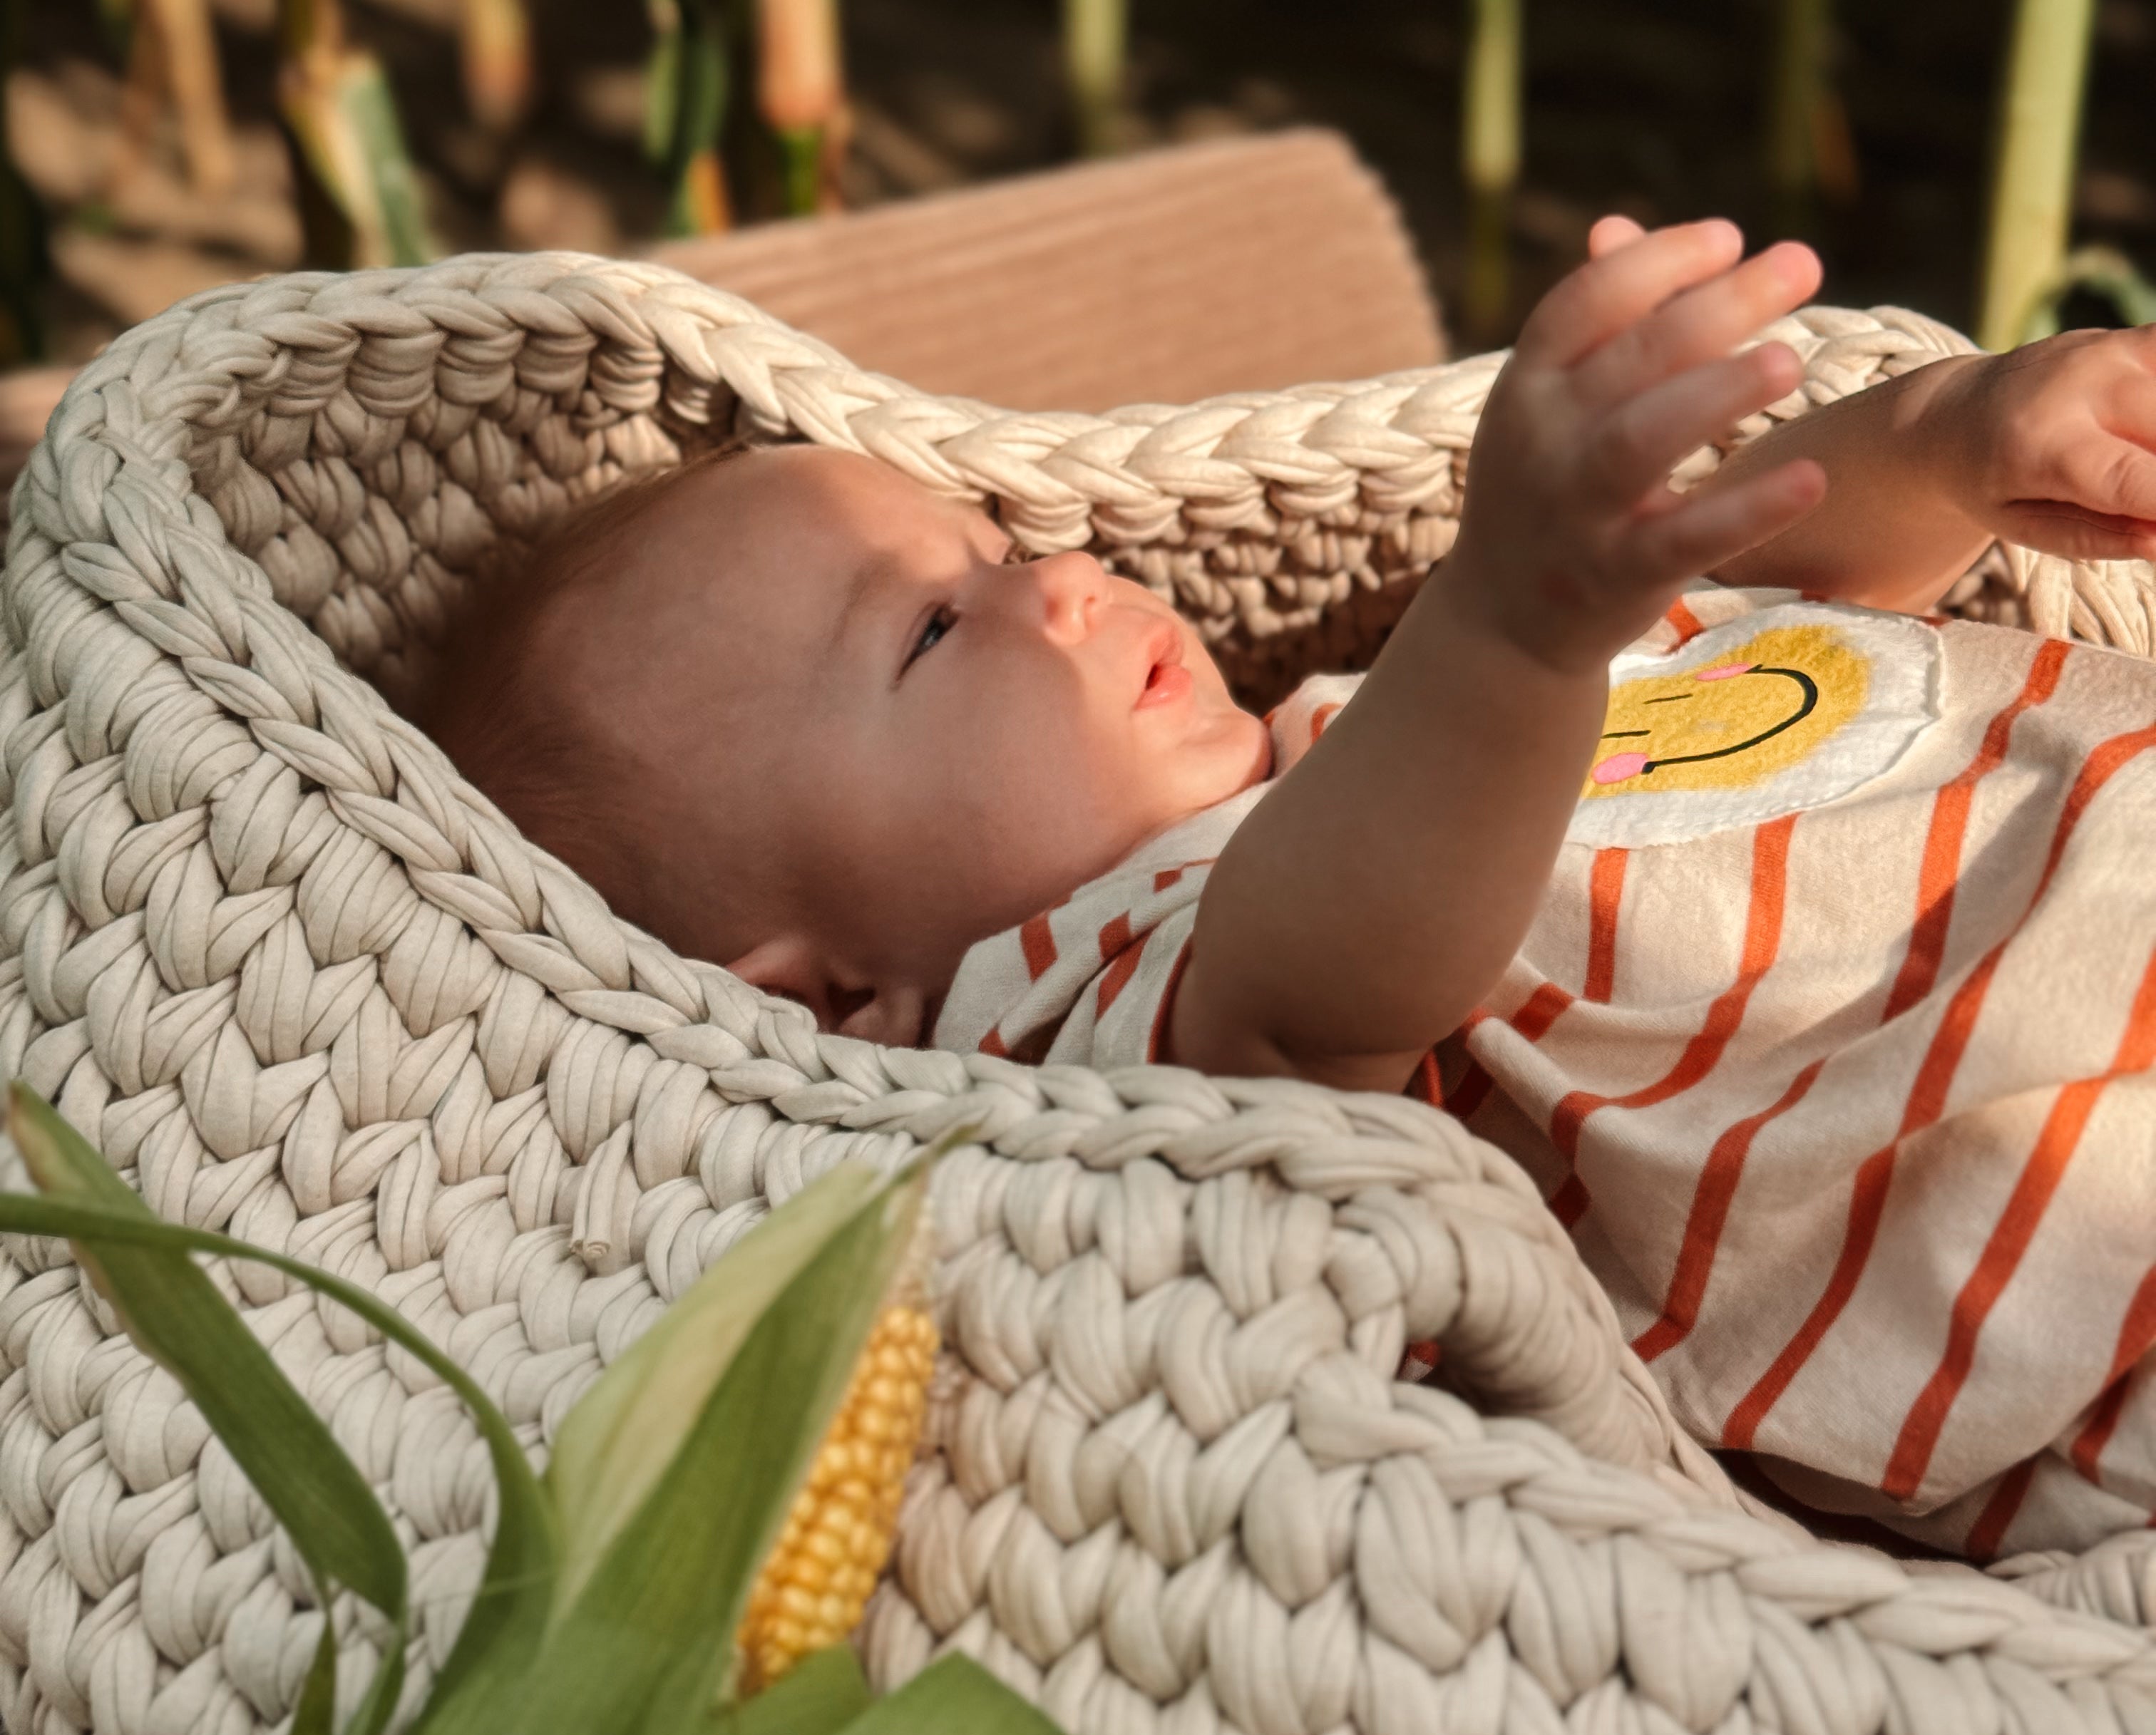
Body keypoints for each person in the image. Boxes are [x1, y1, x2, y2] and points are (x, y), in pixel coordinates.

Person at [422, 217, 2156, 1560]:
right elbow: (1340, 976)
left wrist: (1952, 442)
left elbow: (1753, 607)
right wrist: (1511, 620)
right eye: (936, 634)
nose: (1071, 586)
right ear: (827, 994)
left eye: (1009, 551)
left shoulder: (1363, 724)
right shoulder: (1110, 1022)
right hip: (2083, 1251)